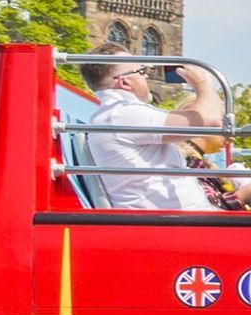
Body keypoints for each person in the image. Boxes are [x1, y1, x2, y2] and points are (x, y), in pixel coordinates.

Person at [76, 59, 217, 210]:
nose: (147, 77)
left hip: (179, 219)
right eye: (141, 71)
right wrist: (203, 85)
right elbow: (210, 121)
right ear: (125, 83)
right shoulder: (122, 114)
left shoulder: (116, 114)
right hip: (173, 223)